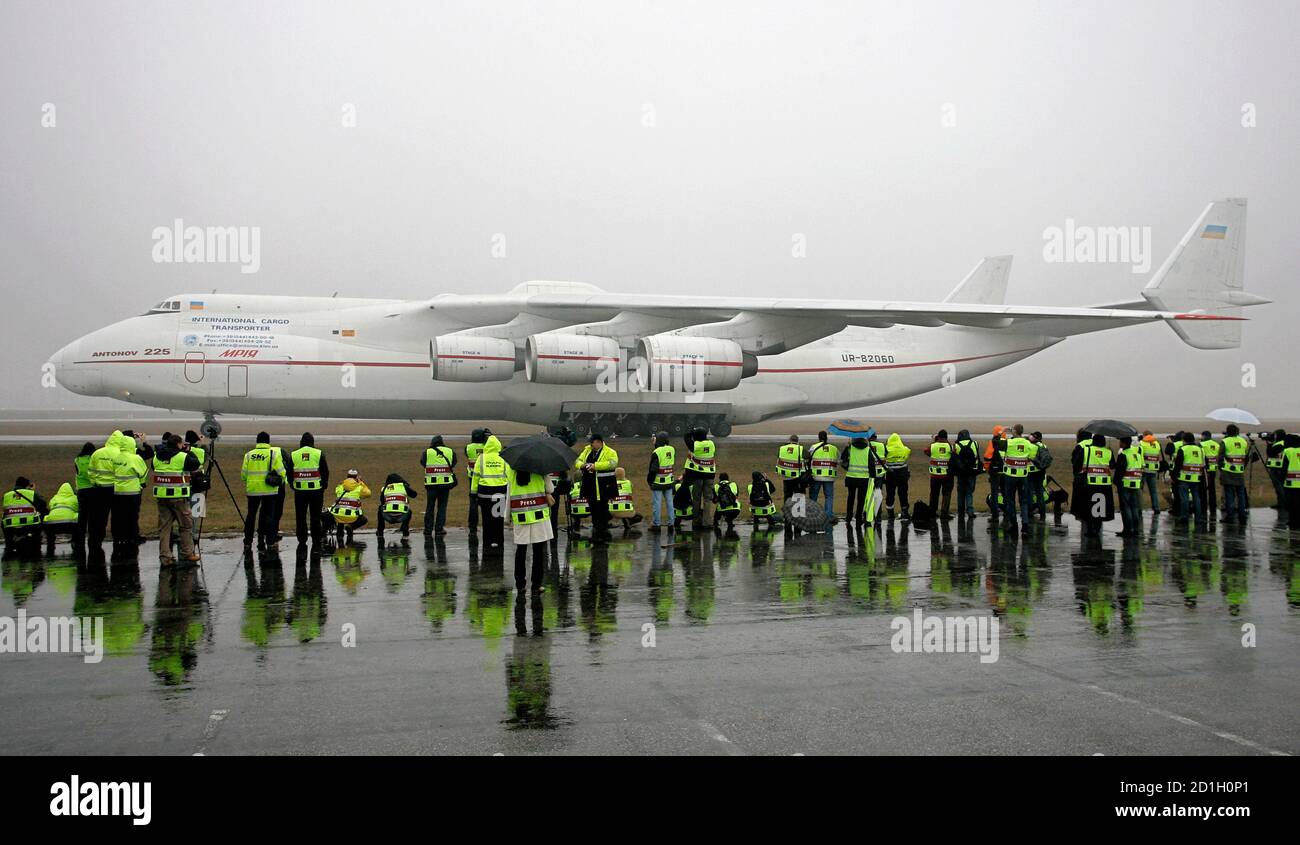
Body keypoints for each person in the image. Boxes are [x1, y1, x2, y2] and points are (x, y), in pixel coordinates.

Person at [152, 434, 201, 564]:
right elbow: (195, 464)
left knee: (164, 527)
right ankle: (187, 553)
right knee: (186, 525)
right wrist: (188, 451)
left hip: (162, 496)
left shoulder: (157, 456)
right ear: (179, 444)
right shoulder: (182, 456)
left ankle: (165, 557)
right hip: (178, 496)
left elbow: (154, 467)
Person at [506, 463, 555, 593]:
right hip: (539, 513)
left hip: (520, 514)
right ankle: (536, 585)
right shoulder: (541, 468)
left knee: (521, 550)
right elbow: (550, 488)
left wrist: (507, 517)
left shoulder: (512, 471)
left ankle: (520, 584)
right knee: (538, 551)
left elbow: (508, 494)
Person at [241, 431, 286, 549]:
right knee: (270, 515)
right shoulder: (273, 454)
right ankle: (270, 541)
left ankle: (247, 541)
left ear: (257, 441)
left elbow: (243, 475)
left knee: (251, 515)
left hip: (252, 490)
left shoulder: (249, 455)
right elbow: (282, 472)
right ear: (268, 441)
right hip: (269, 490)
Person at [573, 433, 618, 542]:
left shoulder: (610, 452)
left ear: (598, 442)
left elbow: (613, 464)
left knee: (602, 509)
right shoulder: (587, 450)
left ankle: (602, 532)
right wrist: (583, 466)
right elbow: (577, 461)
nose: (591, 445)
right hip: (590, 486)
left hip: (604, 487)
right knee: (593, 509)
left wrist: (595, 466)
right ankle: (597, 532)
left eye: (592, 443)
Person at [288, 432, 329, 546]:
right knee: (315, 517)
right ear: (312, 442)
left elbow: (289, 473)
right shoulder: (318, 453)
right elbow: (325, 471)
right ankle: (316, 540)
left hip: (300, 491)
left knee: (300, 516)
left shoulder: (294, 454)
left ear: (301, 442)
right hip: (316, 491)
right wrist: (324, 485)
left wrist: (293, 485)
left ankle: (302, 540)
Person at [112, 430, 148, 553]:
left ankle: (119, 538)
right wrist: (142, 483)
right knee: (132, 516)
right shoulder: (135, 458)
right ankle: (133, 537)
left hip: (117, 492)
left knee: (119, 516)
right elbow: (143, 472)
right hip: (132, 492)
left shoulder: (116, 457)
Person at [471, 434, 509, 549]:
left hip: (484, 492)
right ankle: (499, 540)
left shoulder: (481, 458)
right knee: (498, 518)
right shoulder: (503, 458)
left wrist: (473, 492)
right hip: (500, 492)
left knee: (486, 519)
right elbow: (508, 475)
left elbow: (475, 476)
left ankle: (487, 542)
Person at [86, 431, 121, 548]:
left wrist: (94, 482)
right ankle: (117, 537)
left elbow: (90, 471)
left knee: (99, 516)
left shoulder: (97, 453)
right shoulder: (119, 453)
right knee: (116, 516)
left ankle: (97, 539)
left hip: (99, 489)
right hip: (115, 489)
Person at [1074, 433, 1114, 537]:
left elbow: (1076, 464)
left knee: (1088, 506)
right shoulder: (1108, 452)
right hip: (1105, 484)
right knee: (1101, 509)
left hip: (1089, 483)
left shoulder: (1087, 450)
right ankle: (1097, 528)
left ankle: (1090, 529)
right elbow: (1113, 465)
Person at [420, 435, 456, 536]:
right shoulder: (450, 451)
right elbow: (453, 463)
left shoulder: (427, 452)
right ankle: (439, 529)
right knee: (442, 507)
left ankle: (428, 530)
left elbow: (423, 463)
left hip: (431, 485)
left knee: (430, 507)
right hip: (445, 485)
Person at [1001, 427, 1034, 534]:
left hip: (1010, 475)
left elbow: (998, 445)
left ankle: (1013, 525)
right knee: (1023, 501)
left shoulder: (1009, 442)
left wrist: (1002, 432)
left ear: (1014, 431)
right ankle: (1025, 525)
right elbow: (1032, 456)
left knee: (1010, 501)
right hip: (1023, 476)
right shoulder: (1028, 443)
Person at [682, 426, 716, 528]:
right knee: (707, 499)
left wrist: (691, 431)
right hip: (710, 475)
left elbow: (686, 438)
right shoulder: (711, 444)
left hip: (697, 475)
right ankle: (707, 522)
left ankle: (696, 521)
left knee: (696, 499)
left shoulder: (696, 445)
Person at [2, 477, 46, 553]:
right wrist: (31, 491)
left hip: (10, 526)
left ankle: (9, 543)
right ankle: (36, 539)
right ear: (27, 485)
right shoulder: (31, 493)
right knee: (43, 514)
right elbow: (43, 504)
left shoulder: (6, 495)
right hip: (29, 525)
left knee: (3, 520)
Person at [841, 435, 876, 527]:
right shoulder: (867, 449)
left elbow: (842, 458)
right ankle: (859, 518)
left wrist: (846, 447)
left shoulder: (850, 448)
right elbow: (871, 465)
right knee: (861, 500)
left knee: (850, 498)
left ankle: (848, 517)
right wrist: (873, 477)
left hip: (851, 477)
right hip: (863, 478)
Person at [1172, 431, 1206, 526]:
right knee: (1196, 498)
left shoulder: (1183, 449)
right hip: (1197, 478)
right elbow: (1203, 464)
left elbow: (1178, 464)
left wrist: (1173, 476)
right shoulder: (1200, 449)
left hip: (1184, 478)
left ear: (1184, 440)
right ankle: (1198, 518)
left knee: (1184, 498)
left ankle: (1184, 517)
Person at [330, 469, 372, 544]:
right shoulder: (359, 487)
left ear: (347, 476)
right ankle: (351, 527)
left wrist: (344, 483)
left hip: (339, 514)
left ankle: (340, 540)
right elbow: (368, 494)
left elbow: (336, 491)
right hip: (352, 516)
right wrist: (361, 482)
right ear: (356, 477)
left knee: (340, 518)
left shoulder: (340, 486)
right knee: (364, 519)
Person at [1219, 424, 1251, 524]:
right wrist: (1242, 466)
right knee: (1240, 494)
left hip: (1228, 471)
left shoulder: (1225, 441)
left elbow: (1220, 456)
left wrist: (1221, 468)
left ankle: (1230, 516)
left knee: (1229, 495)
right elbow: (1246, 457)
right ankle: (1242, 515)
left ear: (1227, 431)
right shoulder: (1243, 441)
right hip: (1239, 471)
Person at [1114, 435, 1144, 537]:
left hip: (1125, 484)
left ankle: (1128, 530)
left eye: (1120, 442)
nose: (1119, 444)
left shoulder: (1123, 454)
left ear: (1124, 443)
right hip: (1136, 483)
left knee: (1126, 508)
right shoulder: (1137, 454)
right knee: (1134, 507)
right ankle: (1136, 529)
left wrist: (1116, 482)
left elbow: (1120, 470)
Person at [806, 431, 838, 522]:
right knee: (829, 497)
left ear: (819, 437)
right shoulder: (834, 448)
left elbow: (808, 458)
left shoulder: (813, 447)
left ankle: (812, 516)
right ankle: (828, 516)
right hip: (829, 476)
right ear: (827, 437)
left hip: (816, 476)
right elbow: (839, 460)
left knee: (813, 497)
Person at [646, 431, 676, 530]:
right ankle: (671, 523)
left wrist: (650, 481)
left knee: (657, 504)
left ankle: (656, 524)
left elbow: (653, 469)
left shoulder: (656, 452)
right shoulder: (672, 449)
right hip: (669, 481)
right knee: (670, 503)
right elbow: (663, 452)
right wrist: (656, 444)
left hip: (658, 482)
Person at [184, 430, 209, 550]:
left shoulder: (182, 450)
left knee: (185, 509)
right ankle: (194, 535)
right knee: (197, 510)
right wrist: (203, 443)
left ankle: (185, 534)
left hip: (185, 482)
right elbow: (207, 457)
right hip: (198, 483)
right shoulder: (199, 451)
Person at [43, 481, 81, 554]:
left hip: (52, 524)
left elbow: (50, 507)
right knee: (78, 516)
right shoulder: (75, 498)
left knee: (47, 518)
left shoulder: (54, 498)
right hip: (69, 523)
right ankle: (76, 541)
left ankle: (50, 544)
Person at [378, 472, 417, 541]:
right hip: (402, 516)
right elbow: (414, 495)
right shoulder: (403, 486)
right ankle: (405, 528)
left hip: (388, 516)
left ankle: (380, 531)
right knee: (409, 510)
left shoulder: (385, 488)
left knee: (380, 509)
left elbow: (382, 502)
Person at [465, 428, 489, 537]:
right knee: (487, 502)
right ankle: (487, 524)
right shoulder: (486, 447)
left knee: (473, 503)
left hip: (472, 477)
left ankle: (472, 526)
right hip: (485, 478)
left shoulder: (468, 448)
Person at [952, 429, 980, 521]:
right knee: (969, 492)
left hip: (961, 473)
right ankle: (970, 511)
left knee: (960, 493)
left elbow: (954, 459)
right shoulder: (975, 444)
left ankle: (961, 512)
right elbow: (977, 456)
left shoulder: (956, 445)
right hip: (971, 472)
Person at [924, 429, 953, 519]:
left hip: (935, 476)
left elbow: (926, 451)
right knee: (947, 494)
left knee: (934, 494)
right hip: (947, 475)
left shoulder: (933, 446)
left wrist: (935, 441)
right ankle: (944, 513)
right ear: (946, 437)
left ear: (938, 437)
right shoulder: (950, 446)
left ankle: (932, 512)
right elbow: (954, 453)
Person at [883, 433, 911, 521]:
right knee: (903, 494)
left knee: (890, 494)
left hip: (891, 476)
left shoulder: (887, 449)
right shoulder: (905, 449)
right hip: (903, 475)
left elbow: (883, 457)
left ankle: (890, 514)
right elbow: (908, 452)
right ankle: (905, 512)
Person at [72, 442, 94, 552]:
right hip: (92, 488)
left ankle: (79, 538)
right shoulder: (92, 459)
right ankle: (91, 536)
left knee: (82, 515)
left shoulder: (77, 460)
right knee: (92, 514)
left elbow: (80, 472)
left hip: (81, 489)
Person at [984, 426, 1006, 524]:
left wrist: (988, 469)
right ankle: (1008, 513)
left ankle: (995, 516)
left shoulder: (993, 442)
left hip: (995, 472)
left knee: (994, 494)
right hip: (1006, 472)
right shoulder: (1009, 442)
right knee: (1007, 494)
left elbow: (987, 457)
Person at [1027, 432, 1051, 518]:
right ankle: (1042, 513)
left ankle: (1029, 513)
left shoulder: (1029, 446)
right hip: (1040, 472)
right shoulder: (1043, 446)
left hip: (1030, 473)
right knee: (1040, 493)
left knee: (1029, 493)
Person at [776, 435, 806, 502]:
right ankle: (798, 512)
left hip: (786, 475)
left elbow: (778, 456)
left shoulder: (782, 448)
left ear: (789, 440)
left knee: (787, 495)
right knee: (798, 495)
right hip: (797, 476)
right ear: (797, 441)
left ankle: (787, 511)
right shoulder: (800, 448)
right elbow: (808, 456)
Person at [1265, 429, 1288, 515]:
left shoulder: (1279, 445)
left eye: (1274, 435)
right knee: (1280, 485)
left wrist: (1269, 445)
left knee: (1279, 486)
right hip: (1280, 467)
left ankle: (1283, 503)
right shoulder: (1284, 443)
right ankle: (1281, 502)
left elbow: (1270, 453)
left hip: (1277, 467)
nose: (1273, 437)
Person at [1139, 431, 1163, 512]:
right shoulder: (1157, 444)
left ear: (1144, 435)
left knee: (1140, 490)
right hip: (1153, 470)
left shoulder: (1141, 443)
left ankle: (1139, 507)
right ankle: (1156, 507)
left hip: (1144, 470)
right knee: (1153, 491)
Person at [1199, 431, 1220, 521]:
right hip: (1214, 468)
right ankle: (1213, 505)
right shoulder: (1216, 444)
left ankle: (1203, 507)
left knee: (1203, 489)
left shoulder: (1202, 444)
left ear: (1204, 436)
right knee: (1212, 488)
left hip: (1205, 469)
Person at [1281, 433, 1300, 530]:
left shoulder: (1288, 451)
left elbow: (1284, 468)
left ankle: (1293, 521)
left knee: (1292, 504)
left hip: (1291, 483)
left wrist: (1281, 479)